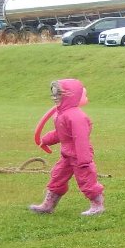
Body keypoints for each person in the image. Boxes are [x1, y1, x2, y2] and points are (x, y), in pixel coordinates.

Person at [29, 79, 105, 216]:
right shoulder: (61, 114)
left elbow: (81, 138)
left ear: (69, 95)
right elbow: (61, 134)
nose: (55, 98)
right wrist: (46, 140)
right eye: (53, 94)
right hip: (67, 155)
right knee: (57, 177)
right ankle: (48, 205)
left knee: (86, 179)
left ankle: (97, 205)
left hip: (79, 155)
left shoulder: (76, 116)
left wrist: (84, 159)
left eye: (58, 94)